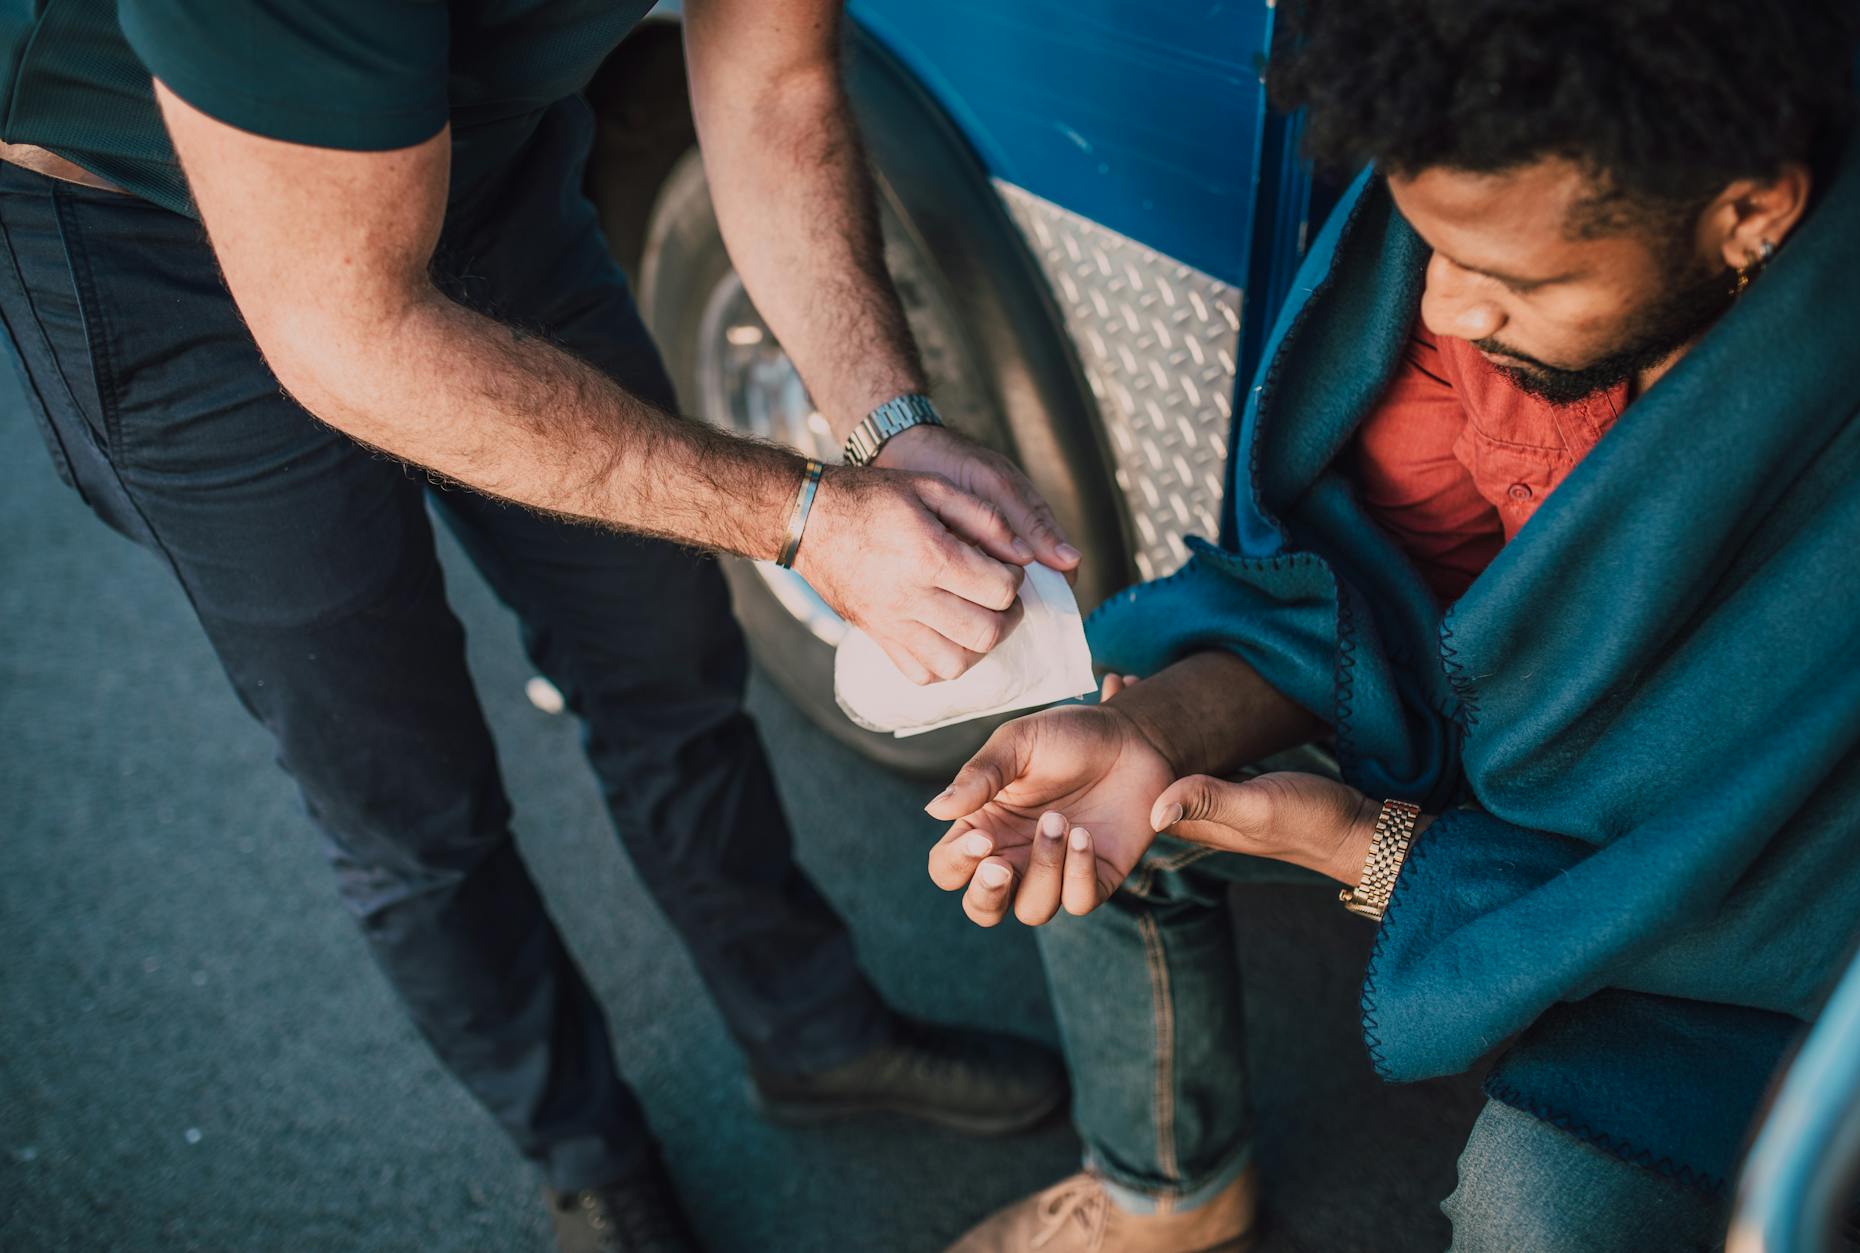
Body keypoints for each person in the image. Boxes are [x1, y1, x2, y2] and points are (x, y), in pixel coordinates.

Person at [0, 1, 1082, 1249]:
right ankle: (584, 1146)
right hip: (168, 246)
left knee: (663, 646)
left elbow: (776, 86)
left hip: (484, 160)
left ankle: (809, 1027)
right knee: (402, 787)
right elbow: (349, 333)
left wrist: (885, 431)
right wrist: (805, 518)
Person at [926, 2, 1860, 1250]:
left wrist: (1386, 855)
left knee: (1533, 1211)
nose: (1441, 313)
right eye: (1427, 245)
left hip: (1753, 942)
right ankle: (1166, 1191)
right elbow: (1382, 593)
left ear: (1748, 214)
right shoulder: (1479, 279)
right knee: (1090, 794)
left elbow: (1814, 890)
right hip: (1514, 806)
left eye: (1510, 279)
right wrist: (1156, 726)